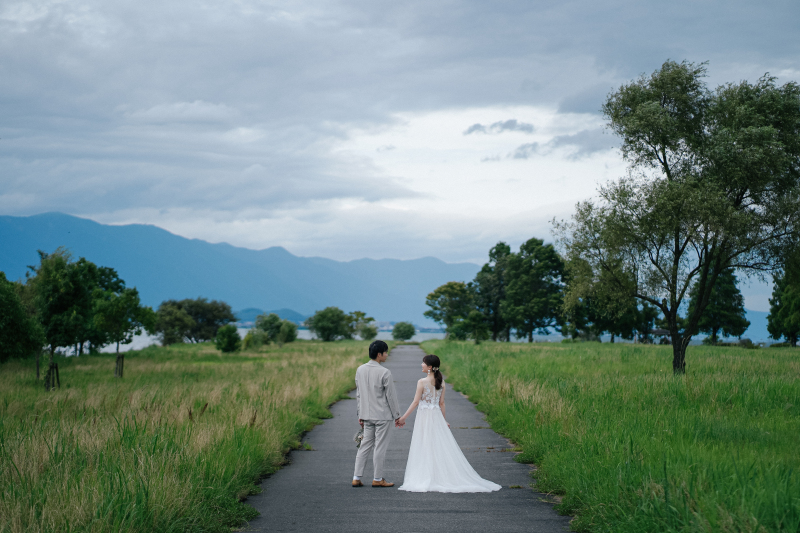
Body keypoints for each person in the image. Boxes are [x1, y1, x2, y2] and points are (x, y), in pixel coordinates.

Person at [397, 354, 501, 493]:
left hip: (425, 417)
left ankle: (427, 476)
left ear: (429, 367)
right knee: (436, 445)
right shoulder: (441, 381)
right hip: (436, 416)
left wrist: (403, 418)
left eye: (423, 363)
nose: (421, 365)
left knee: (424, 444)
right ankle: (437, 475)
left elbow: (416, 402)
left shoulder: (421, 382)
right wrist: (443, 420)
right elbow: (441, 403)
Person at [352, 340, 403, 487]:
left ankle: (356, 477)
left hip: (366, 415)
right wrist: (397, 415)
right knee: (379, 447)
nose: (386, 355)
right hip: (382, 416)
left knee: (364, 446)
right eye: (385, 352)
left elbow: (359, 394)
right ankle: (378, 478)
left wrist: (360, 414)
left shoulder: (360, 369)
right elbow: (391, 397)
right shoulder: (384, 372)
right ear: (379, 354)